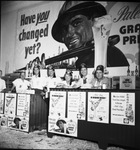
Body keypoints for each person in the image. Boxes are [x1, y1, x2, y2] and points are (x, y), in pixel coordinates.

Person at [51, 1, 129, 69]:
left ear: (93, 21)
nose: (69, 33)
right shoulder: (83, 59)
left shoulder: (108, 54)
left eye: (76, 23)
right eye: (65, 30)